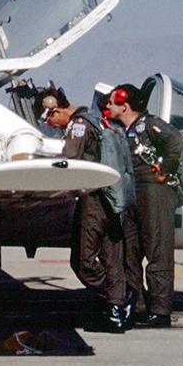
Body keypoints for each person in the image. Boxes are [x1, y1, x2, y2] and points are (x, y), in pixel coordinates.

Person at [35, 86, 134, 331]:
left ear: (55, 110)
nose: (52, 124)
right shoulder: (99, 119)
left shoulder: (78, 125)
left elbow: (69, 159)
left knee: (83, 260)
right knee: (112, 257)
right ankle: (116, 311)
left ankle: (120, 297)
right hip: (114, 197)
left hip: (94, 199)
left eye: (49, 118)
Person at [106, 84, 183, 329]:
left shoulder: (150, 125)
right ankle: (139, 307)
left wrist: (164, 171)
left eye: (112, 102)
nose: (108, 107)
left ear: (125, 104)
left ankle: (160, 312)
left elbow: (174, 140)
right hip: (133, 194)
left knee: (157, 251)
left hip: (154, 193)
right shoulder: (125, 129)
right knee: (129, 254)